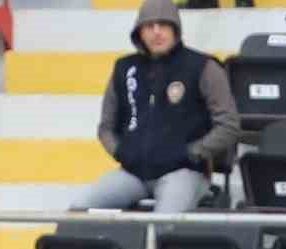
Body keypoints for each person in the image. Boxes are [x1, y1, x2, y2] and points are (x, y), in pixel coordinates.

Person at [70, 0, 240, 215]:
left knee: (161, 228)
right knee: (78, 212)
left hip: (184, 172)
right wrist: (122, 152)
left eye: (163, 25)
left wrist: (192, 153)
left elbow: (229, 125)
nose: (156, 32)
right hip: (133, 173)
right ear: (139, 32)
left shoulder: (203, 66)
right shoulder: (124, 68)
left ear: (175, 30)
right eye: (149, 26)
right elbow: (105, 127)